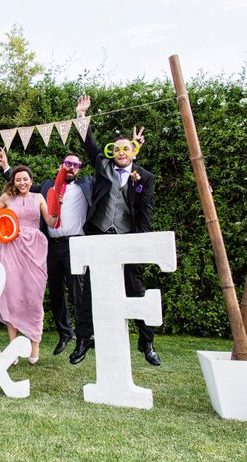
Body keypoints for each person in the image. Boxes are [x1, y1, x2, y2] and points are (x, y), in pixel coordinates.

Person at [70, 94, 160, 366]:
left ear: (134, 151)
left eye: (126, 149)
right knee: (89, 291)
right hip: (99, 234)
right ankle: (84, 338)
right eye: (117, 149)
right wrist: (82, 116)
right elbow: (89, 144)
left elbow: (144, 212)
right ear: (112, 152)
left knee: (135, 288)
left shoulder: (144, 177)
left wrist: (139, 244)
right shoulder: (103, 166)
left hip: (126, 238)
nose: (121, 152)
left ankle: (147, 342)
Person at [0, 153, 94, 356]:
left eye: (76, 164)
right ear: (61, 165)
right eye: (68, 163)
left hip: (76, 243)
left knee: (78, 291)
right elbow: (21, 190)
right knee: (56, 292)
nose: (71, 167)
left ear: (79, 168)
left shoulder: (87, 184)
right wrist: (7, 167)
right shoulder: (46, 188)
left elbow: (109, 178)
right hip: (50, 245)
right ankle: (65, 333)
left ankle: (84, 337)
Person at [0, 161, 58, 364]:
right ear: (14, 182)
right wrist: (3, 227)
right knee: (12, 293)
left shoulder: (38, 197)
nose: (21, 182)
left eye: (25, 179)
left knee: (33, 295)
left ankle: (34, 345)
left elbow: (51, 222)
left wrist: (58, 208)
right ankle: (13, 348)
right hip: (11, 247)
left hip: (35, 248)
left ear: (31, 180)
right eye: (18, 179)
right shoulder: (7, 198)